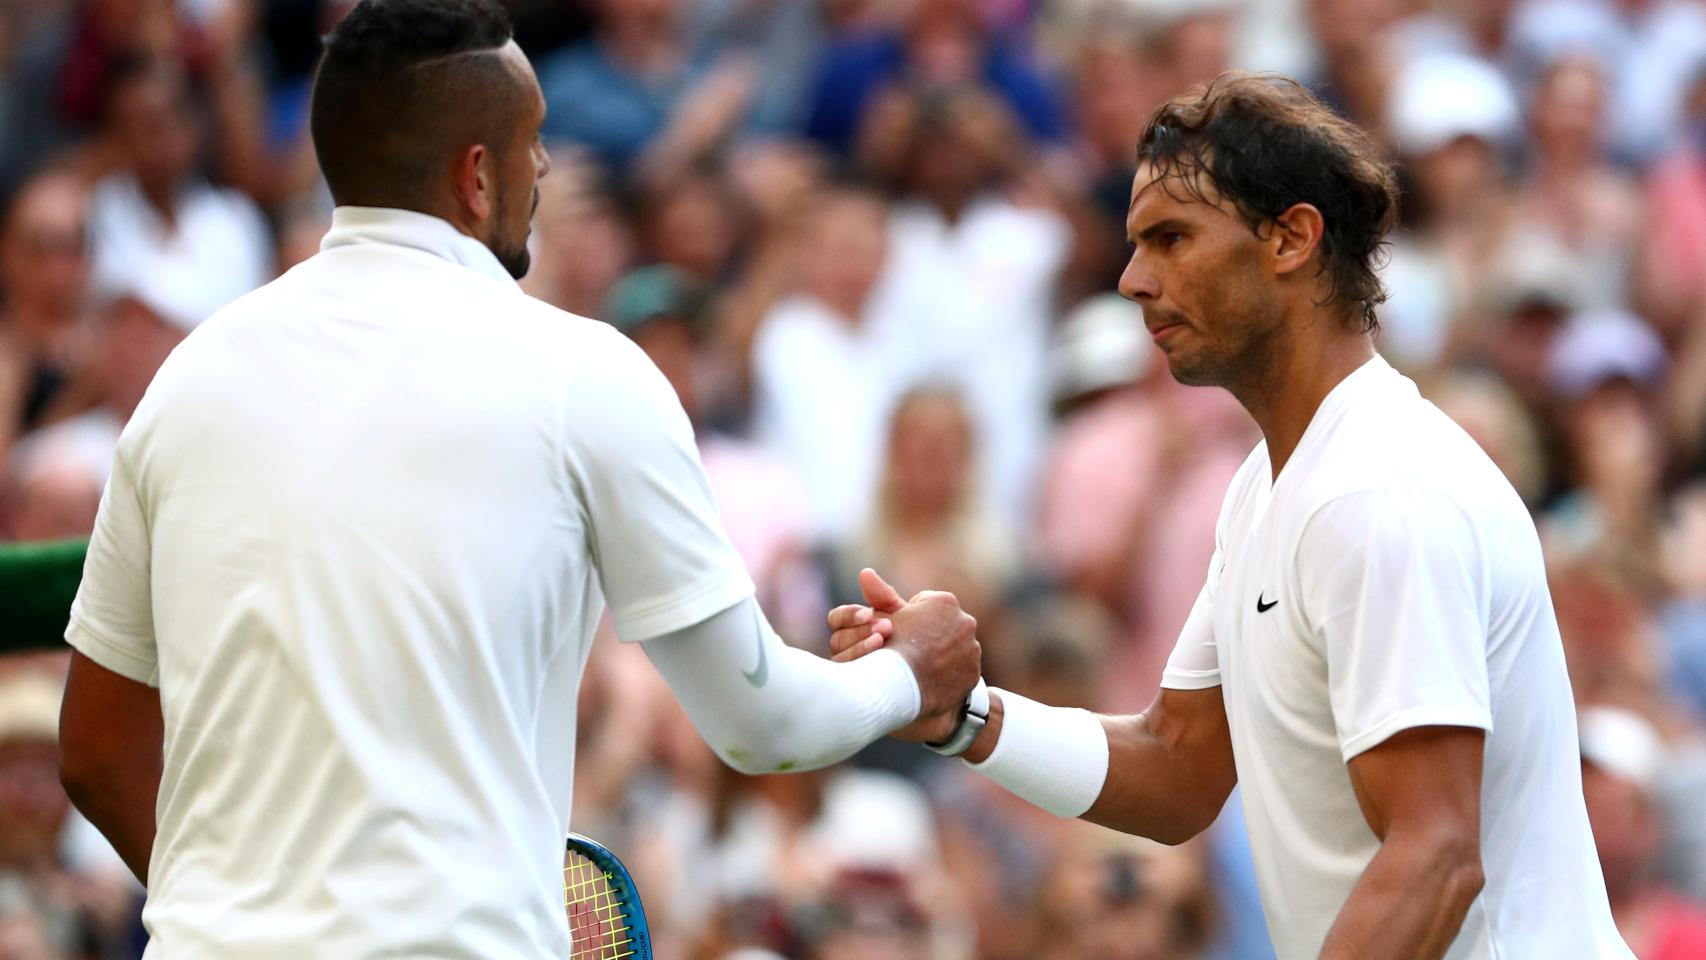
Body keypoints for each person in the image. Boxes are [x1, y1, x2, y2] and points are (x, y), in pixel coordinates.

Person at [51, 2, 982, 957]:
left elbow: (94, 747)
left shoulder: (188, 379)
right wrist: (910, 675)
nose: (544, 169)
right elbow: (760, 727)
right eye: (533, 142)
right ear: (478, 172)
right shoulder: (588, 375)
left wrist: (233, 919)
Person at [832, 73, 1633, 959]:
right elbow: (1177, 768)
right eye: (1137, 244)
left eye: (1171, 238)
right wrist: (962, 714)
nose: (1134, 280)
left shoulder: (1377, 492)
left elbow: (1436, 857)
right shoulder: (1273, 481)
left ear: (1291, 239)